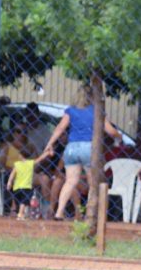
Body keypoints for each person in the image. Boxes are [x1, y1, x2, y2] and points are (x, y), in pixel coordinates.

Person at [45, 86, 123, 220]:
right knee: (93, 182)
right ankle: (90, 214)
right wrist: (119, 136)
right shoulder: (97, 111)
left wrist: (50, 143)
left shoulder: (70, 111)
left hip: (71, 148)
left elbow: (60, 128)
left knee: (70, 181)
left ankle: (59, 212)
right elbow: (110, 130)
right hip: (88, 147)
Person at [6, 149, 52, 221]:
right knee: (24, 202)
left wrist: (9, 182)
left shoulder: (17, 164)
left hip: (17, 187)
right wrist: (46, 154)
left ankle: (22, 213)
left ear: (20, 156)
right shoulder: (30, 163)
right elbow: (39, 159)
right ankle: (20, 214)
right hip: (26, 187)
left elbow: (12, 174)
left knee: (21, 202)